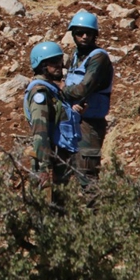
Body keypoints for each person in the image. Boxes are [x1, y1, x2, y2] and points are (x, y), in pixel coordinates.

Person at [60, 10, 114, 180]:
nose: (84, 37)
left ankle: (95, 207)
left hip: (90, 125)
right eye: (79, 33)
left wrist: (62, 89)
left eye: (89, 33)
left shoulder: (99, 58)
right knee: (69, 171)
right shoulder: (76, 57)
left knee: (87, 175)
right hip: (73, 121)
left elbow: (83, 89)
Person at [25, 42, 81, 186]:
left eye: (59, 60)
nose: (59, 66)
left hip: (62, 157)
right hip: (52, 161)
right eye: (53, 62)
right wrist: (45, 166)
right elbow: (40, 131)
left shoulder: (53, 91)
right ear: (41, 65)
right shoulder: (40, 93)